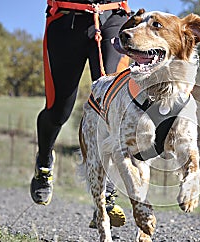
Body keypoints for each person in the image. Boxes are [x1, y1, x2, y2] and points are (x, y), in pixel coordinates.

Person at [30, 0, 130, 228]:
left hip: (112, 18)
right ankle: (44, 162)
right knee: (58, 111)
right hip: (66, 19)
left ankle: (107, 192)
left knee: (111, 106)